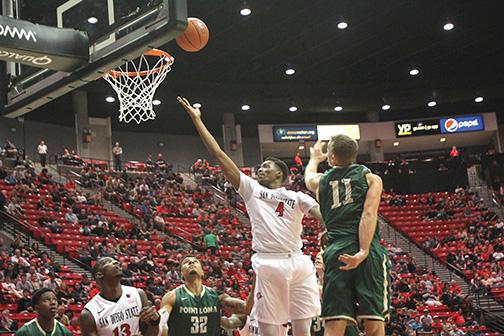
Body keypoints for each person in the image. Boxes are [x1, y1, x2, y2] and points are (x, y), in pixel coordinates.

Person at [179, 96, 322, 336]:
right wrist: (197, 121)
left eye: (266, 166)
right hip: (268, 261)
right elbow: (218, 154)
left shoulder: (298, 197)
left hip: (298, 261)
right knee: (268, 329)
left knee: (303, 329)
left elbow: (323, 216)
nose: (260, 169)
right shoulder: (252, 189)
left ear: (280, 173)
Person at [305, 136, 391, 336]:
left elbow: (308, 177)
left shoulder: (322, 180)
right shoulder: (371, 179)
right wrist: (363, 251)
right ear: (354, 155)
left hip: (336, 250)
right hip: (368, 250)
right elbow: (368, 213)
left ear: (332, 157)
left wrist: (315, 159)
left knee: (335, 321)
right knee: (374, 318)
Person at [159, 256, 247, 336]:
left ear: (202, 272)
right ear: (181, 274)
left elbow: (246, 308)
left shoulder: (216, 296)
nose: (191, 263)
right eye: (186, 262)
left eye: (195, 261)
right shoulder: (172, 296)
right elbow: (160, 323)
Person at [79, 257, 161, 336]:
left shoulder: (138, 294)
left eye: (115, 260)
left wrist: (155, 321)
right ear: (99, 275)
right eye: (108, 262)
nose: (116, 262)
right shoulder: (89, 314)